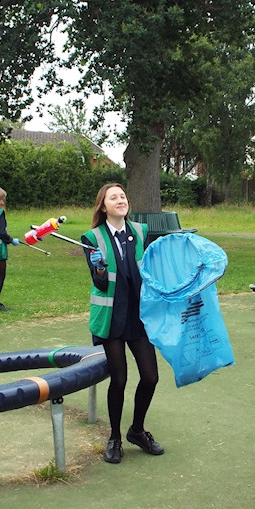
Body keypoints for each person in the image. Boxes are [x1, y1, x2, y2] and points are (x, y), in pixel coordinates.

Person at [81, 183, 163, 464]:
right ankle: (114, 437)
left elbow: (148, 270)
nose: (120, 200)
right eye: (113, 197)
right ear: (103, 206)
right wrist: (99, 267)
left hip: (138, 316)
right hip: (112, 317)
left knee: (151, 376)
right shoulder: (92, 238)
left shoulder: (140, 232)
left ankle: (137, 430)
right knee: (119, 379)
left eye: (123, 196)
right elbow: (100, 283)